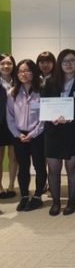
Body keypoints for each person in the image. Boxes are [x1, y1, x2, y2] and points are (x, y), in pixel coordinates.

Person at [43, 49, 75, 216]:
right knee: (53, 169)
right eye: (65, 61)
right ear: (59, 64)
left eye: (73, 61)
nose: (69, 64)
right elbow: (44, 105)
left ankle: (71, 201)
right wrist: (50, 117)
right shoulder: (50, 83)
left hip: (73, 132)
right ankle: (55, 202)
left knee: (72, 168)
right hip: (53, 131)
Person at [6, 59, 47, 211]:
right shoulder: (13, 92)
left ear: (34, 72)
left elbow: (45, 116)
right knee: (23, 167)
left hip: (38, 134)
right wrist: (17, 134)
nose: (23, 74)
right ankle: (24, 196)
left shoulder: (42, 90)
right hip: (19, 136)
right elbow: (10, 116)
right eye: (20, 71)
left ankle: (37, 196)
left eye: (27, 70)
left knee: (39, 165)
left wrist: (34, 133)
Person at [0, 53, 18, 200]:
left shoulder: (18, 81)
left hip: (15, 123)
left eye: (9, 63)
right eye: (2, 64)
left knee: (13, 157)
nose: (6, 66)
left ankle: (11, 185)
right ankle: (0, 187)